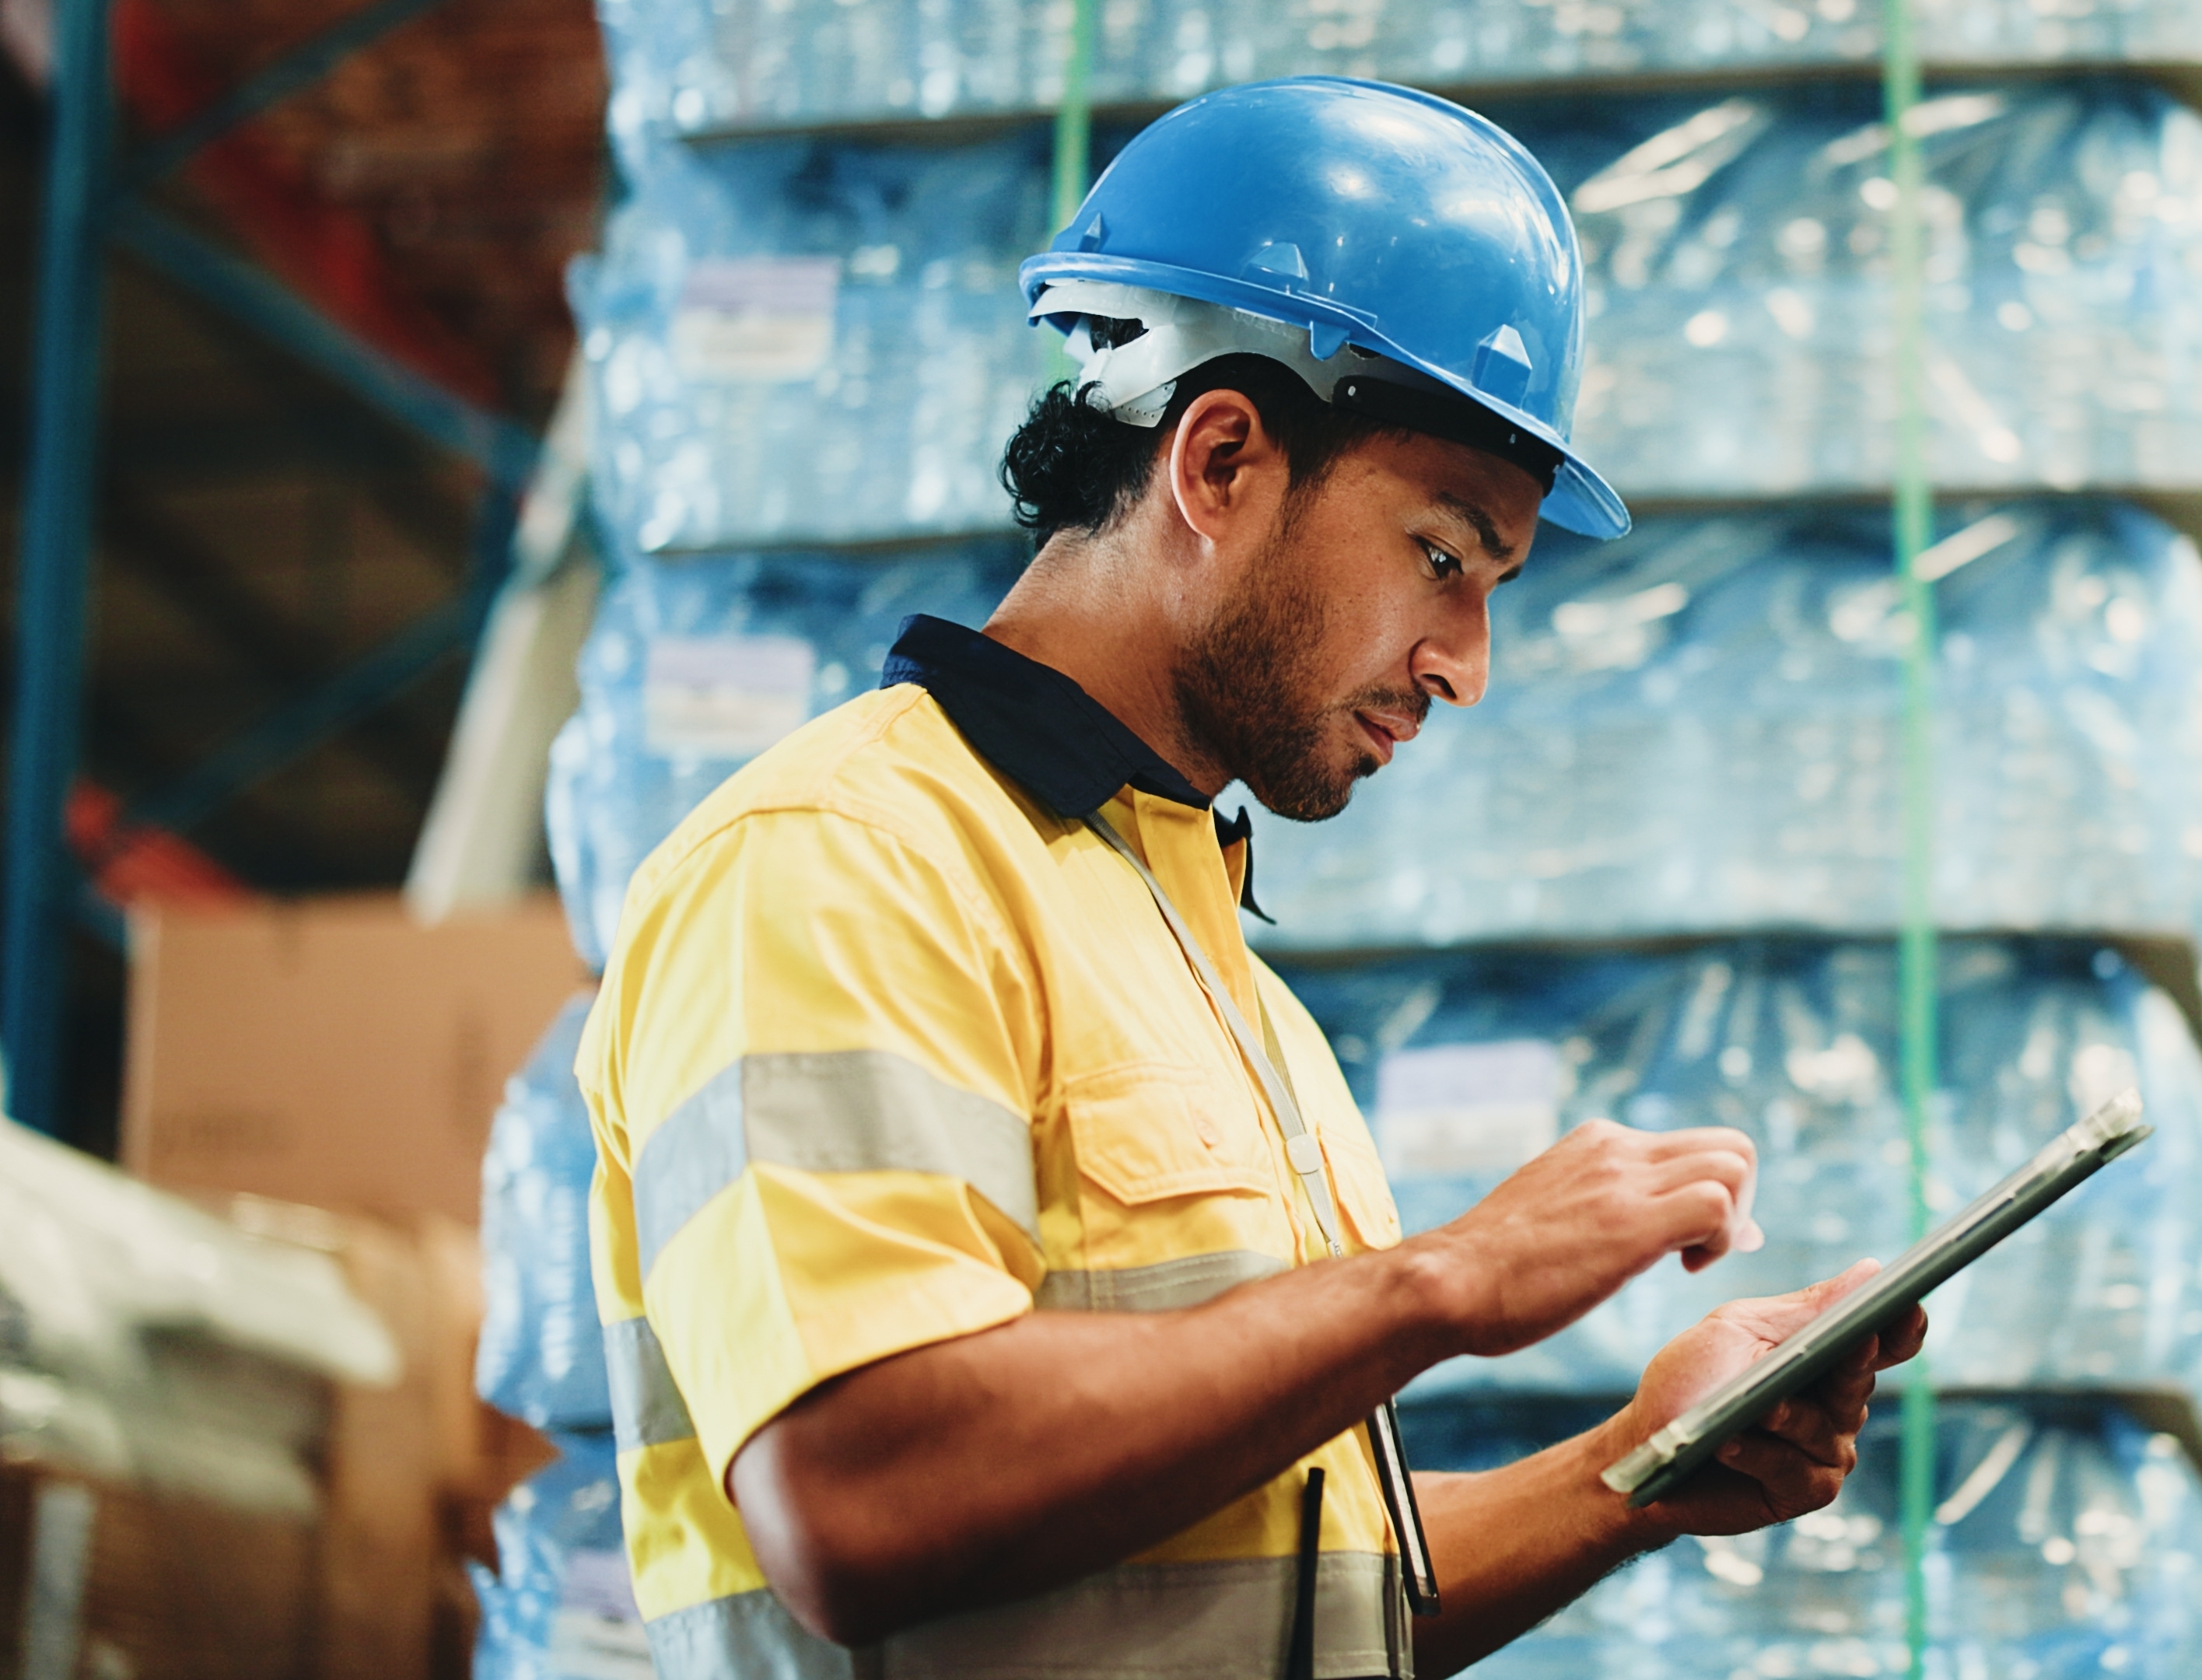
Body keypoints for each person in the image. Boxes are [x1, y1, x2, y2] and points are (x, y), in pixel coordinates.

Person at [579, 76, 1925, 1680]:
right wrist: (1441, 1283)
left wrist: (1635, 1466)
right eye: (1444, 555)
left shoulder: (1220, 978)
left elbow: (1286, 1599)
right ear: (1218, 462)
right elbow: (858, 1495)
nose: (1465, 664)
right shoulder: (840, 863)